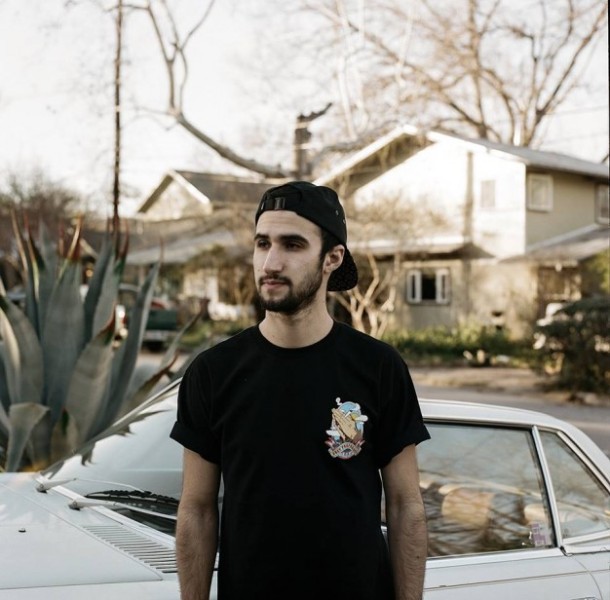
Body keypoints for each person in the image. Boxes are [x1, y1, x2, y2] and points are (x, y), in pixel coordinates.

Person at [170, 181, 430, 600]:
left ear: (332, 258)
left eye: (292, 245)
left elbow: (405, 506)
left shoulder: (379, 367)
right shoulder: (212, 373)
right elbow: (197, 510)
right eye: (262, 243)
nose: (270, 262)